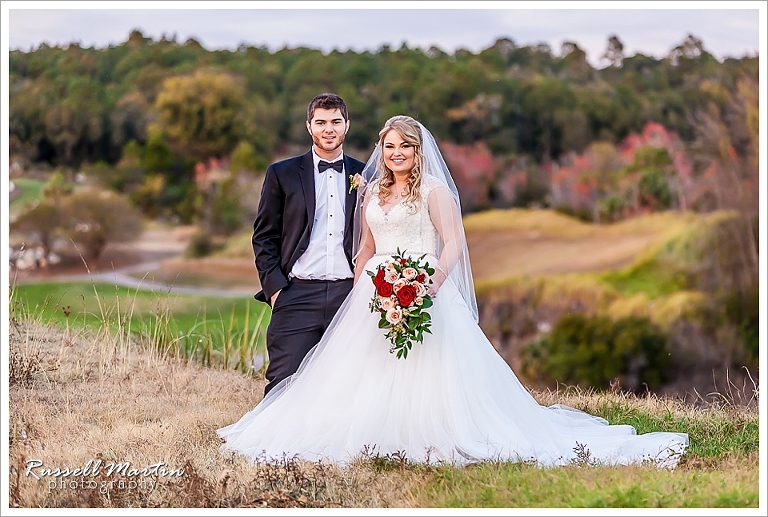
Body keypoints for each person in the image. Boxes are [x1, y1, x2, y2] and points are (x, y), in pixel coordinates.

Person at [219, 116, 689, 468]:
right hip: (372, 293)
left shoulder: (433, 193)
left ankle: (429, 434)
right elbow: (364, 246)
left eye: (405, 146)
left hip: (424, 288)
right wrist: (360, 293)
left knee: (428, 371)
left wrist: (430, 284)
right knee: (360, 372)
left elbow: (454, 243)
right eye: (389, 146)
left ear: (418, 150)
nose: (397, 152)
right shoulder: (373, 193)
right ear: (380, 150)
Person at [251, 93, 365, 396]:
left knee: (349, 383)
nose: (329, 129)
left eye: (336, 122)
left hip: (349, 294)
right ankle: (272, 442)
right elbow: (264, 236)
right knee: (283, 382)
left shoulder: (366, 174)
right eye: (321, 122)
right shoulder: (282, 173)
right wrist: (276, 291)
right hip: (297, 294)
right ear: (309, 126)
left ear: (347, 126)